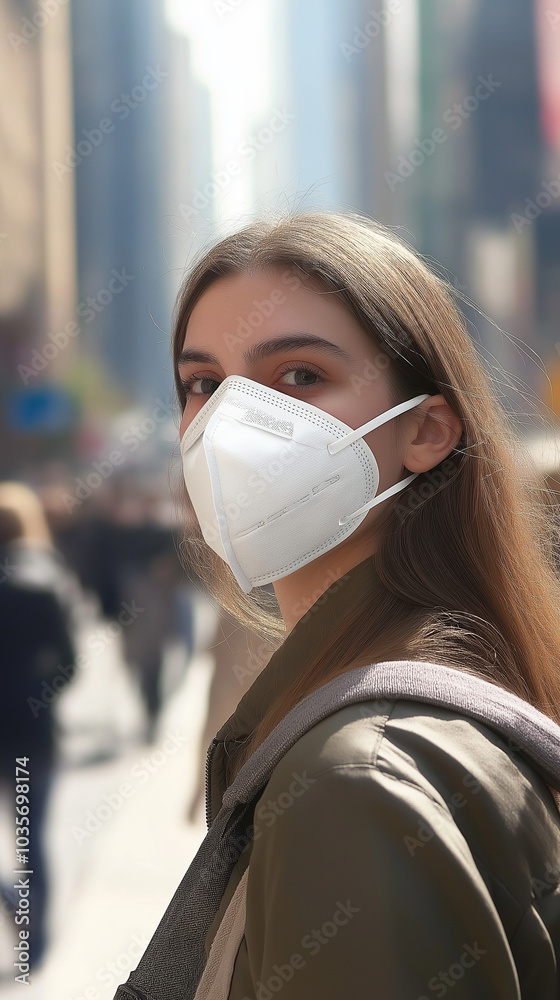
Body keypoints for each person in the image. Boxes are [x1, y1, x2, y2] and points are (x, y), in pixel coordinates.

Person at [113, 210, 560, 999]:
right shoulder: (415, 698)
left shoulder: (361, 779)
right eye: (204, 385)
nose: (228, 426)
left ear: (425, 431)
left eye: (297, 376)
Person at [0, 482, 78, 969]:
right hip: (33, 732)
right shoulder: (47, 579)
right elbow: (69, 664)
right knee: (31, 839)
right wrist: (38, 696)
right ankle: (37, 939)